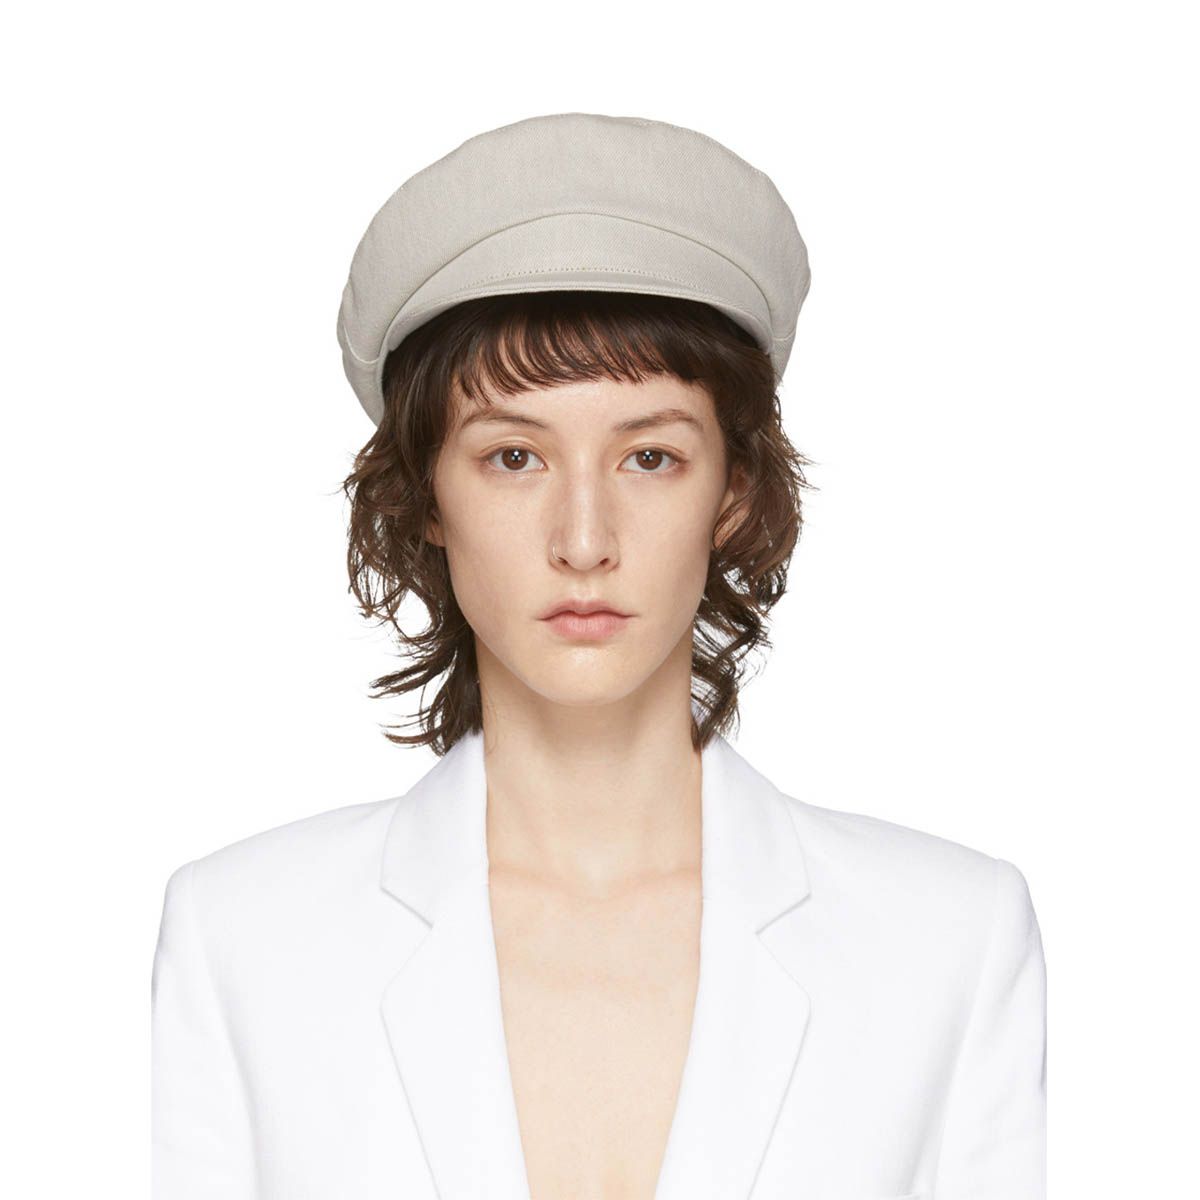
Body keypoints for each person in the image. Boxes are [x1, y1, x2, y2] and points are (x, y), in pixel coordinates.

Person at [151, 113, 1047, 1200]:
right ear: (426, 492)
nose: (584, 541)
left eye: (651, 457)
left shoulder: (948, 944)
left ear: (734, 492)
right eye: (514, 456)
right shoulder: (242, 943)